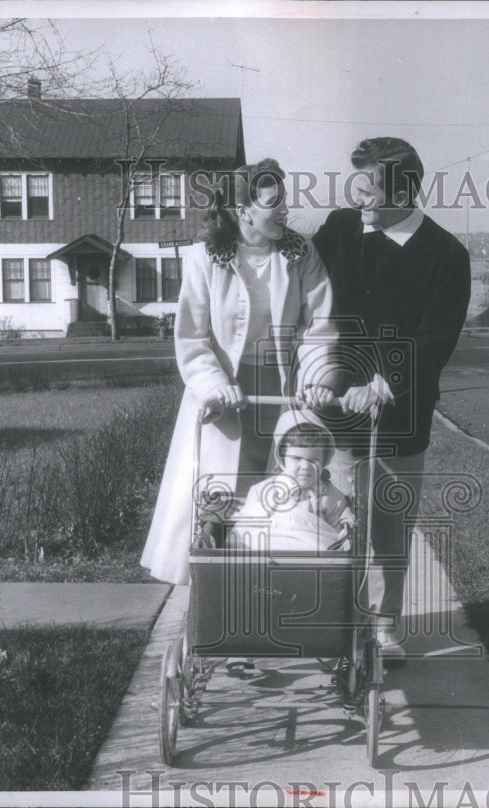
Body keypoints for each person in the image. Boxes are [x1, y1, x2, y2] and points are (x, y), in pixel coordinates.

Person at [141, 159, 340, 585]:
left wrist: (317, 382)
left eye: (286, 200)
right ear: (241, 209)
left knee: (282, 496)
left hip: (284, 389)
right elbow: (192, 337)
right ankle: (221, 613)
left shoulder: (301, 254)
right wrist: (215, 386)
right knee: (222, 497)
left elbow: (319, 328)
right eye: (273, 203)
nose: (285, 211)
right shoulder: (204, 259)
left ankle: (273, 600)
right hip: (226, 396)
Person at [313, 137, 471, 658]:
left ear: (405, 192)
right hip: (335, 409)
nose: (361, 200)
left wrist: (383, 384)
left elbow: (436, 339)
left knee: (389, 527)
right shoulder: (338, 231)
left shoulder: (446, 255)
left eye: (372, 191)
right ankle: (337, 622)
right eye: (356, 187)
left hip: (399, 416)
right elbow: (307, 293)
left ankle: (383, 627)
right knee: (337, 523)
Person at [227, 408, 354, 553]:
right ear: (282, 457)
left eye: (314, 460)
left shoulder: (332, 496)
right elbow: (246, 530)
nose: (305, 467)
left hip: (313, 555)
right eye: (297, 458)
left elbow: (334, 539)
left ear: (324, 460)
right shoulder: (262, 490)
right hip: (270, 552)